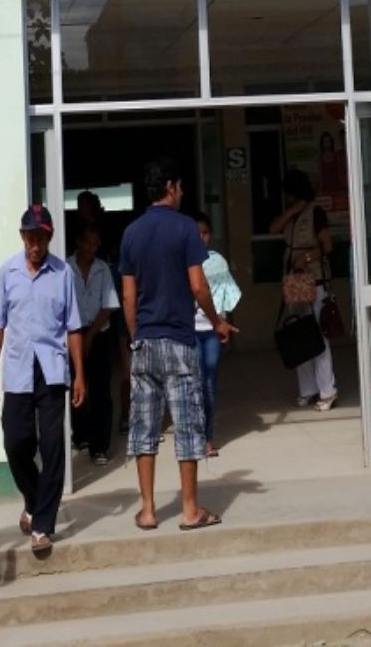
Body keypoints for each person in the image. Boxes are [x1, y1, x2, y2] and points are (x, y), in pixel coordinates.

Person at [120, 157, 235, 532]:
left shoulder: (132, 233)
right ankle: (189, 510)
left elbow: (128, 296)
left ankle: (149, 510)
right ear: (170, 186)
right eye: (181, 186)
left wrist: (136, 336)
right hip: (181, 340)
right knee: (187, 425)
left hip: (146, 342)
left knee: (144, 426)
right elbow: (199, 285)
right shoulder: (185, 228)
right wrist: (216, 321)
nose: (182, 192)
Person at [0, 204, 84, 558]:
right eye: (30, 237)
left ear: (49, 237)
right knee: (16, 443)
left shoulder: (63, 274)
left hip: (53, 371)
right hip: (18, 371)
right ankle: (33, 497)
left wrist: (79, 374)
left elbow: (74, 328)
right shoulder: (8, 272)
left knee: (54, 447)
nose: (35, 244)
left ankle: (42, 525)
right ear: (22, 237)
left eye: (41, 238)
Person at [270, 169, 337, 411]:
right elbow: (273, 228)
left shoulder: (316, 212)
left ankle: (328, 390)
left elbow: (328, 246)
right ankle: (307, 389)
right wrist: (291, 211)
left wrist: (307, 257)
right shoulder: (291, 214)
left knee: (318, 335)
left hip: (314, 281)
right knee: (298, 333)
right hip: (294, 281)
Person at [69, 223, 121, 465]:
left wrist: (89, 335)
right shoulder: (65, 268)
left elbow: (109, 305)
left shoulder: (103, 269)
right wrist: (80, 336)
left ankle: (100, 446)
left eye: (96, 242)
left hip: (99, 334)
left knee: (100, 391)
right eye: (89, 241)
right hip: (72, 334)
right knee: (77, 387)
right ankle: (81, 436)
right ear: (79, 242)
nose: (93, 246)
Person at [192, 211, 243, 457]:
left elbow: (226, 296)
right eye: (196, 233)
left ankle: (207, 439)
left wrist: (223, 325)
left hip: (211, 331)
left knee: (209, 384)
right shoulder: (180, 261)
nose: (200, 237)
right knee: (192, 384)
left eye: (204, 232)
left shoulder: (217, 261)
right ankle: (193, 436)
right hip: (188, 331)